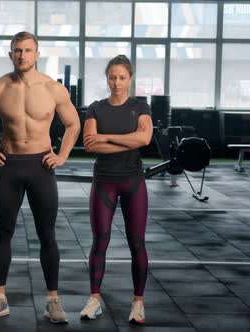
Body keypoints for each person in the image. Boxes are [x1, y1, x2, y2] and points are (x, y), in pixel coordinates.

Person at [0, 31, 80, 324]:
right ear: (11, 55)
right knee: (3, 232)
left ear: (37, 54)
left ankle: (52, 301)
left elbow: (73, 124)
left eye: (27, 50)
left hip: (41, 166)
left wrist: (61, 156)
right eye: (17, 50)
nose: (22, 55)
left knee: (47, 234)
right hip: (9, 165)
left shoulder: (52, 88)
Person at [79, 55, 153, 324]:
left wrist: (107, 137)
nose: (117, 83)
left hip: (133, 180)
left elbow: (144, 138)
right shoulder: (96, 108)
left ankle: (138, 303)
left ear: (130, 79)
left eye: (122, 77)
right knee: (100, 240)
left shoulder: (140, 106)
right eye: (112, 77)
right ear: (106, 78)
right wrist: (127, 142)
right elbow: (90, 145)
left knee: (137, 243)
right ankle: (94, 300)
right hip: (104, 181)